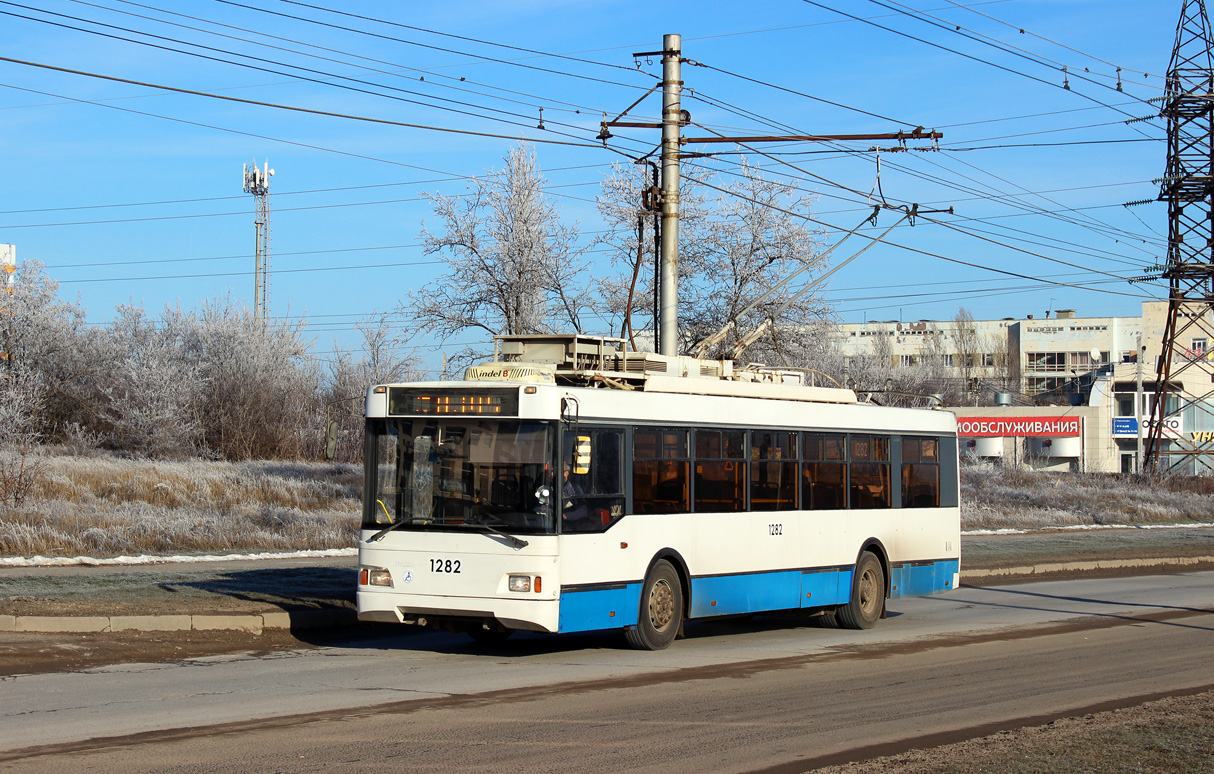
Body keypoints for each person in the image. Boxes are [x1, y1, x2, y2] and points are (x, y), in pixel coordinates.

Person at [562, 462, 590, 529]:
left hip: (568, 527)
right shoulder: (547, 489)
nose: (552, 475)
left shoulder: (575, 489)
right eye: (551, 472)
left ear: (566, 473)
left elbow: (582, 511)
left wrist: (565, 516)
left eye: (555, 472)